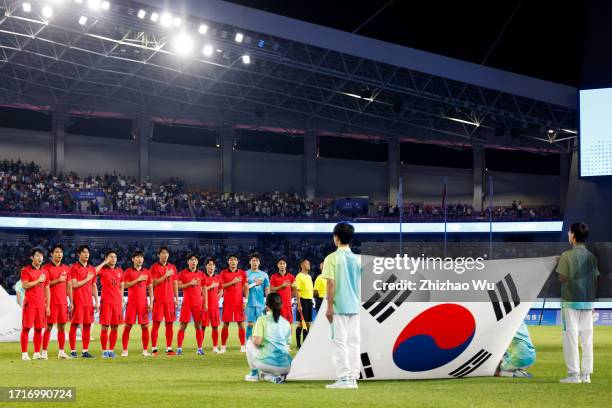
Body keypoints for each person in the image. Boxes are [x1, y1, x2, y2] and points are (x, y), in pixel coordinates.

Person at [557, 222, 599, 384]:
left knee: (571, 338)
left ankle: (574, 375)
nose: (568, 235)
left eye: (569, 233)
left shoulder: (567, 255)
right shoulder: (591, 256)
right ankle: (586, 375)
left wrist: (562, 263)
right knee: (587, 339)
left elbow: (562, 278)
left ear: (573, 236)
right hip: (588, 303)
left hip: (570, 302)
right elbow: (594, 281)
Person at [322, 222, 362, 389]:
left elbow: (330, 283)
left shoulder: (332, 258)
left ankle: (344, 378)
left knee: (340, 342)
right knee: (354, 342)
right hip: (354, 306)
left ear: (336, 238)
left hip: (339, 307)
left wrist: (329, 307)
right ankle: (353, 376)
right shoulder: (357, 259)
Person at [244, 293, 292, 384]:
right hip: (286, 366)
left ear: (267, 306)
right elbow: (287, 344)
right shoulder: (286, 323)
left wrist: (254, 339)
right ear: (281, 305)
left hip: (268, 363)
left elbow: (257, 341)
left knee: (250, 342)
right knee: (266, 373)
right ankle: (274, 378)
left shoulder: (262, 320)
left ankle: (254, 374)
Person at [121, 250, 153, 357]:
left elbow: (150, 287)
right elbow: (124, 286)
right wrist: (137, 279)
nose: (140, 259)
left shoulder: (147, 272)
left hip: (143, 304)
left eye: (141, 257)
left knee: (145, 326)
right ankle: (125, 350)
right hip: (132, 304)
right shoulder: (128, 272)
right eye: (137, 257)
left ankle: (145, 350)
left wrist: (151, 302)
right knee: (128, 326)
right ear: (133, 259)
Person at [68, 245, 98, 358]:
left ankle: (85, 351)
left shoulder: (91, 269)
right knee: (75, 325)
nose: (86, 254)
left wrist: (96, 302)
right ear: (79, 254)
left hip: (88, 302)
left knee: (87, 326)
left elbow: (94, 286)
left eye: (88, 252)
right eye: (84, 252)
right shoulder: (74, 268)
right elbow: (74, 284)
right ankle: (73, 351)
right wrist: (87, 279)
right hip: (78, 301)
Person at [20, 247, 50, 361]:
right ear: (32, 257)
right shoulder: (26, 270)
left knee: (39, 329)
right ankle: (24, 354)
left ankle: (37, 353)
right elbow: (25, 285)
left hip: (41, 305)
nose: (40, 258)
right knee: (26, 328)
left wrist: (47, 305)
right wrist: (38, 280)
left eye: (41, 256)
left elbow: (47, 288)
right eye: (37, 255)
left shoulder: (45, 271)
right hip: (30, 304)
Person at [42, 244, 71, 359]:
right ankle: (44, 352)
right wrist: (58, 280)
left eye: (61, 252)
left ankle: (61, 352)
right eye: (57, 252)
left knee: (62, 327)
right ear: (52, 254)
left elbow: (68, 286)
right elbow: (45, 285)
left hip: (63, 302)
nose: (59, 254)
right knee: (48, 327)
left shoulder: (66, 268)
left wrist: (71, 301)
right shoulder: (46, 268)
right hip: (52, 302)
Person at [176, 253, 208, 356]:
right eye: (191, 260)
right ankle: (179, 348)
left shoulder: (201, 274)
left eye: (195, 260)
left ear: (197, 262)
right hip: (187, 304)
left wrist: (205, 302)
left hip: (198, 304)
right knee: (183, 326)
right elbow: (179, 286)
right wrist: (190, 283)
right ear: (188, 262)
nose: (193, 261)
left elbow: (204, 289)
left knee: (198, 326)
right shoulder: (182, 273)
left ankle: (199, 348)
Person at [150, 246, 179, 356]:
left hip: (170, 301)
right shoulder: (154, 267)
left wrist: (176, 299)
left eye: (167, 253)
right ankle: (154, 348)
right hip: (158, 300)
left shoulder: (173, 267)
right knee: (156, 324)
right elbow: (154, 283)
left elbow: (175, 283)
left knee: (170, 324)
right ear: (159, 255)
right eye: (163, 253)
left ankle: (169, 348)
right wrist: (165, 275)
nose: (165, 255)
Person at [96, 249, 124, 359]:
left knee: (115, 328)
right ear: (107, 258)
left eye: (115, 257)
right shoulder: (102, 270)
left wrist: (121, 301)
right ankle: (104, 351)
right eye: (111, 256)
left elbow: (121, 287)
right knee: (105, 327)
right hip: (106, 302)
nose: (113, 259)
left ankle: (111, 350)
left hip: (117, 303)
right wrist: (104, 262)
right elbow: (94, 271)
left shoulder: (120, 271)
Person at [219, 254, 248, 353]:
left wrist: (245, 300)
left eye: (235, 260)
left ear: (237, 262)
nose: (233, 261)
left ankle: (243, 346)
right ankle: (223, 347)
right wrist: (233, 281)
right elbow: (221, 286)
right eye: (231, 260)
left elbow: (246, 287)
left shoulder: (242, 273)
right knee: (225, 324)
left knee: (241, 324)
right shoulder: (223, 273)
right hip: (227, 303)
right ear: (228, 262)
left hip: (239, 303)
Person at [246, 252, 270, 340]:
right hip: (249, 303)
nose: (255, 262)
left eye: (256, 261)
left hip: (261, 304)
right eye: (253, 261)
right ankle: (248, 343)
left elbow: (267, 289)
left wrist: (268, 303)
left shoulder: (264, 275)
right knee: (250, 324)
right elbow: (243, 289)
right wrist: (254, 284)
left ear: (259, 262)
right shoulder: (245, 274)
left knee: (262, 325)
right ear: (250, 262)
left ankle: (262, 343)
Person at [203, 258, 222, 353]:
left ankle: (215, 347)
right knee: (202, 327)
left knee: (215, 326)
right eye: (209, 265)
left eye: (213, 265)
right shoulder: (202, 277)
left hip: (214, 306)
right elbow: (199, 291)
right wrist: (211, 286)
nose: (211, 267)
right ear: (206, 266)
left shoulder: (218, 278)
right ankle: (200, 347)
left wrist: (217, 298)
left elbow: (221, 290)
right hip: (204, 306)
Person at [270, 257, 295, 325]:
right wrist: (282, 286)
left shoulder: (291, 277)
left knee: (288, 324)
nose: (282, 265)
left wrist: (290, 297)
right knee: (278, 324)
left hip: (288, 305)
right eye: (280, 264)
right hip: (278, 305)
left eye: (283, 263)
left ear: (286, 265)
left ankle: (288, 336)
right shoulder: (274, 277)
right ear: (278, 265)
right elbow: (271, 289)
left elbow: (294, 289)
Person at [295, 259, 314, 348]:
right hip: (303, 301)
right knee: (301, 323)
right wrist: (299, 304)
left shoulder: (309, 277)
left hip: (309, 301)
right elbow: (297, 291)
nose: (309, 265)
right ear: (302, 265)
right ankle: (299, 344)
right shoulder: (299, 276)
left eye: (309, 263)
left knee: (308, 323)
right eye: (307, 263)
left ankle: (305, 343)